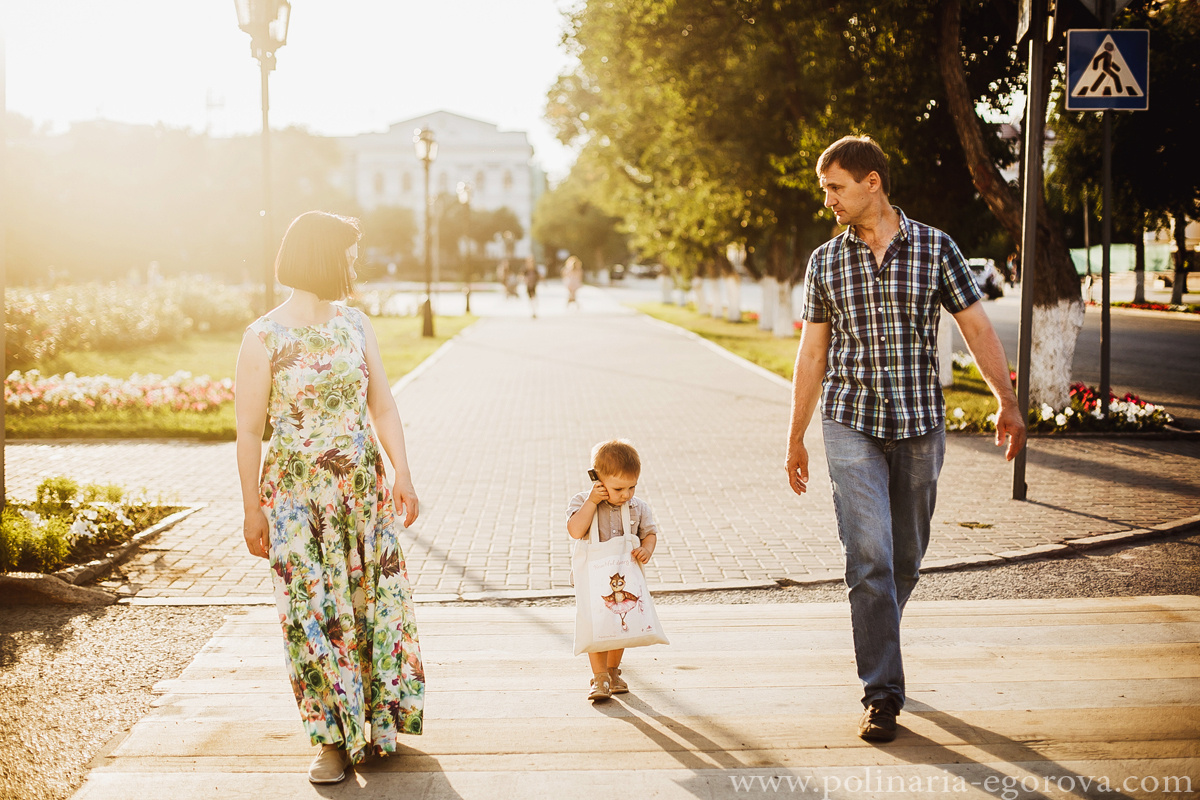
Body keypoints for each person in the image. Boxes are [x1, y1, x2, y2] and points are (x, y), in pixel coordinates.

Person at [784, 136, 1025, 743]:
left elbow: (974, 325)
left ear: (872, 182)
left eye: (836, 187)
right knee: (869, 555)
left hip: (920, 422)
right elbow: (812, 353)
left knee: (904, 559)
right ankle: (882, 693)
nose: (829, 199)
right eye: (824, 190)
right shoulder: (825, 261)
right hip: (849, 420)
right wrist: (795, 437)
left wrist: (1007, 399)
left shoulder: (936, 247)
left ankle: (879, 639)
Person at [235, 211, 425, 784]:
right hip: (296, 502)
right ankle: (331, 741)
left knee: (370, 607)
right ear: (323, 255)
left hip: (361, 492)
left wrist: (403, 474)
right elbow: (248, 431)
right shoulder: (262, 336)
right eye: (347, 253)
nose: (353, 264)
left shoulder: (354, 325)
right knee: (311, 616)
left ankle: (377, 725)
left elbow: (383, 405)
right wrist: (251, 509)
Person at [566, 439, 659, 702]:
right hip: (592, 580)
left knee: (620, 625)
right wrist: (592, 503)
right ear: (597, 478)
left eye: (632, 487)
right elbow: (575, 531)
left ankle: (613, 671)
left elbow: (649, 533)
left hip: (624, 577)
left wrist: (647, 550)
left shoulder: (637, 507)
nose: (626, 494)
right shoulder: (583, 501)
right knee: (595, 627)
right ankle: (599, 677)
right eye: (619, 488)